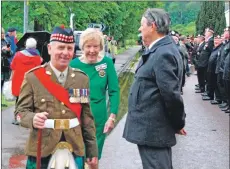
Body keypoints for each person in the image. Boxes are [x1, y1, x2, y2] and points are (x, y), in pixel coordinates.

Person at [15, 26, 98, 169]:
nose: (65, 53)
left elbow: (86, 118)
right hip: (41, 148)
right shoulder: (33, 77)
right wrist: (32, 119)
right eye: (60, 47)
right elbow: (20, 113)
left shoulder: (81, 79)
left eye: (69, 48)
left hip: (74, 146)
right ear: (49, 48)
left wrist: (92, 150)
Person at [123, 8, 186, 169]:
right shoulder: (160, 50)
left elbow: (171, 95)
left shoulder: (163, 53)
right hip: (151, 131)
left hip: (154, 131)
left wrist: (178, 123)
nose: (139, 28)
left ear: (152, 26)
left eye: (142, 24)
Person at [70, 28, 120, 165]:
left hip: (98, 120)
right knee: (78, 158)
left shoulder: (107, 63)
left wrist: (112, 116)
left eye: (95, 46)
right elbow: (68, 93)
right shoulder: (73, 65)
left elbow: (114, 91)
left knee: (92, 160)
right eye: (88, 46)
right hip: (77, 119)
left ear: (101, 47)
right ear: (82, 47)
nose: (92, 50)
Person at [196, 27, 214, 93]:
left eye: (206, 32)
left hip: (206, 63)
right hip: (202, 62)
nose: (205, 33)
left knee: (206, 78)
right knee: (202, 77)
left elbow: (211, 52)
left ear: (210, 32)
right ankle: (202, 88)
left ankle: (205, 90)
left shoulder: (211, 40)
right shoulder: (207, 41)